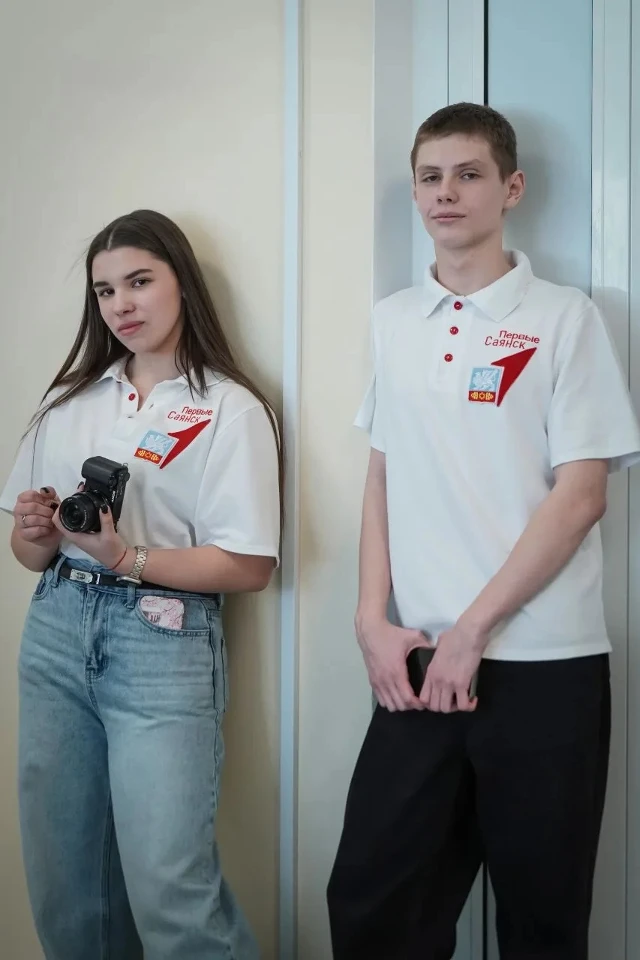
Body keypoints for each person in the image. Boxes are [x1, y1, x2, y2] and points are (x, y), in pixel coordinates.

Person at [326, 103, 640, 959]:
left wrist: (473, 632)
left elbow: (581, 496)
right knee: (374, 909)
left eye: (468, 174)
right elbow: (383, 474)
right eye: (430, 177)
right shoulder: (394, 320)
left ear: (512, 187)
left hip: (544, 666)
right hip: (418, 664)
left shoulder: (564, 317)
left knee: (542, 923)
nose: (447, 192)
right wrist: (371, 619)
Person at [0, 209, 282, 960]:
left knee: (170, 889)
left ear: (181, 282)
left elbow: (250, 565)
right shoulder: (71, 401)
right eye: (104, 291)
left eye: (139, 282)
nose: (121, 304)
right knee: (66, 886)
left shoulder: (228, 407)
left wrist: (126, 557)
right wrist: (36, 530)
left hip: (162, 639)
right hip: (56, 631)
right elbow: (30, 556)